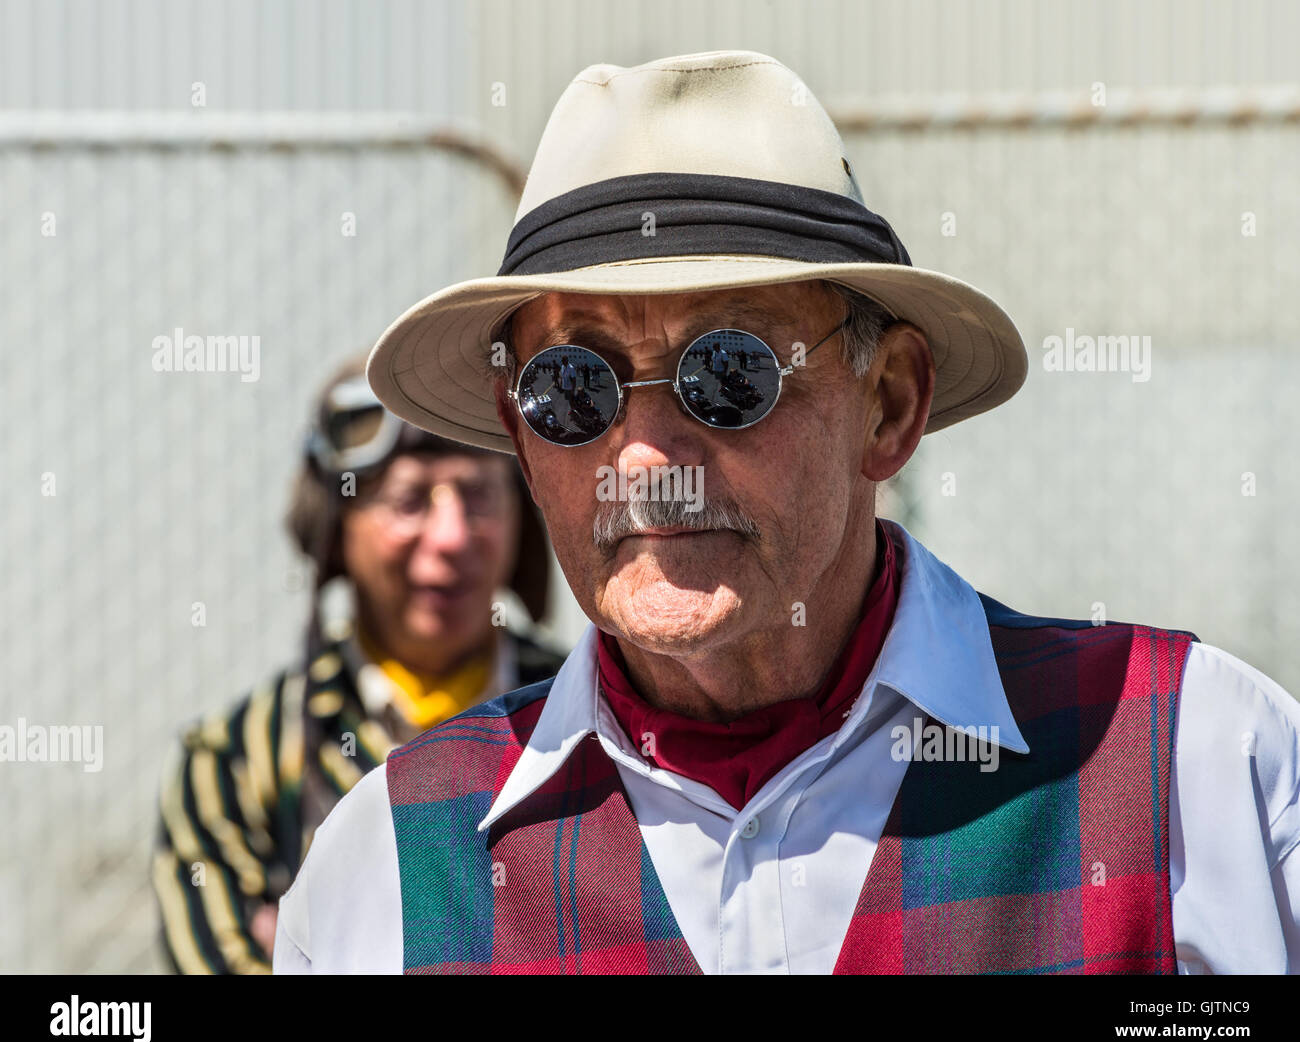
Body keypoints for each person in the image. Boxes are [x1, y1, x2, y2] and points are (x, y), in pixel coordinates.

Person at [275, 51, 1300, 975]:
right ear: (523, 437)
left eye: (727, 371)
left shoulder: (1196, 764)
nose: (641, 456)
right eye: (572, 388)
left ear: (888, 407)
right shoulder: (393, 870)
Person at [152, 356, 566, 974]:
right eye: (409, 501)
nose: (452, 536)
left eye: (479, 495)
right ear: (336, 528)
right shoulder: (235, 764)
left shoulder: (594, 714)